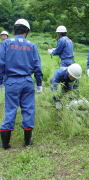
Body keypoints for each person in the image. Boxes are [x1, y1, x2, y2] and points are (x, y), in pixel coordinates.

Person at [0, 19, 43, 149]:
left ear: (15, 29)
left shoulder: (6, 43)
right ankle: (27, 142)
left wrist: (0, 82)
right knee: (28, 110)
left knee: (10, 110)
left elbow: (1, 64)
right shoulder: (32, 45)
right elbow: (37, 66)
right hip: (27, 82)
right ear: (27, 31)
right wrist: (39, 84)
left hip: (12, 82)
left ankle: (5, 144)